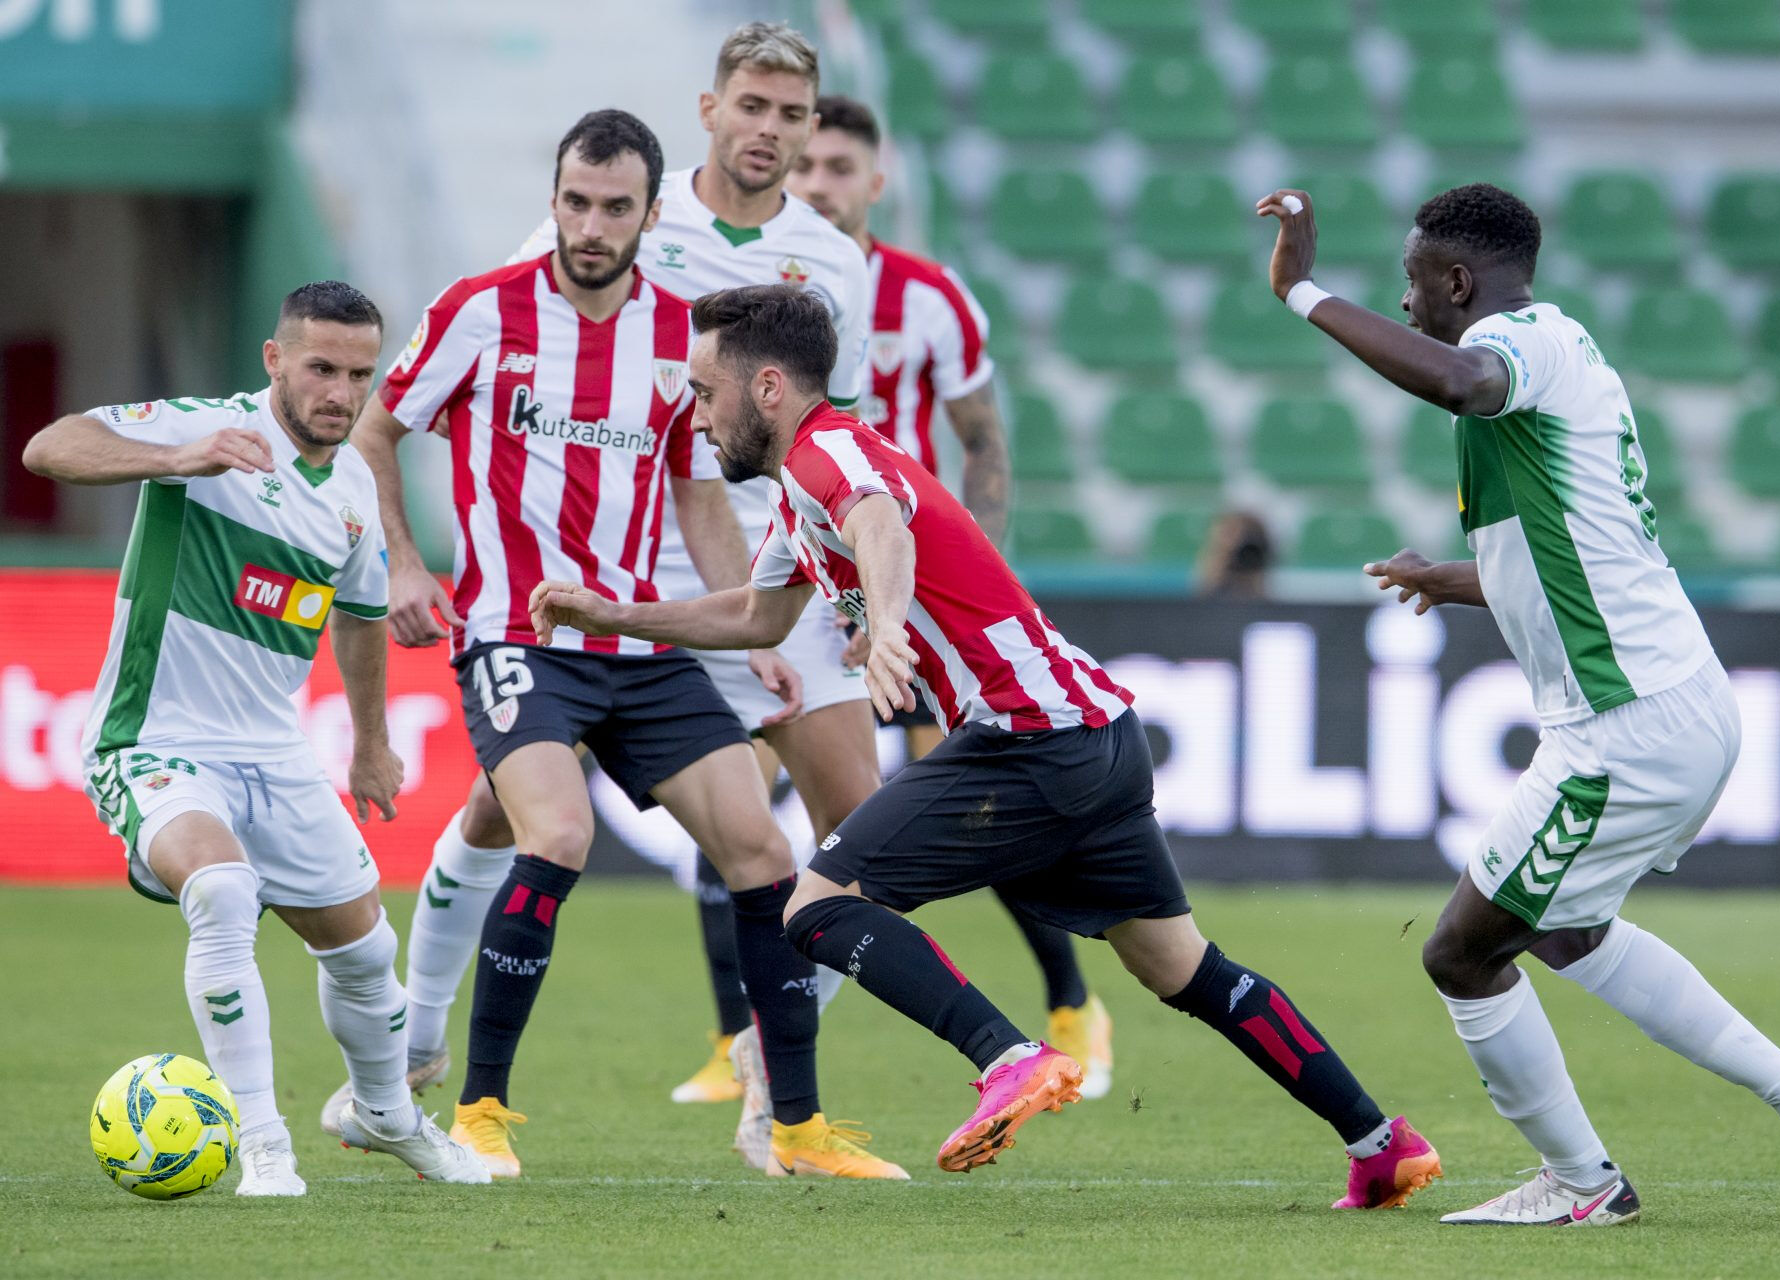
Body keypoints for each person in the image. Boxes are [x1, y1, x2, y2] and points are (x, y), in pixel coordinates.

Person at [526, 283, 1443, 1207]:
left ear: (767, 387)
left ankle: (1007, 1056)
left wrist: (885, 626)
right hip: (1097, 734)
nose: (696, 409)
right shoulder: (808, 485)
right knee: (1182, 967)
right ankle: (1380, 1142)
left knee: (814, 905)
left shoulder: (827, 455)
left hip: (1028, 738)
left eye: (703, 388)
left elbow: (878, 520)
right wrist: (615, 613)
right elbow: (758, 614)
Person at [1258, 181, 1780, 1224]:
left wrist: (1304, 293)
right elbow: (1571, 552)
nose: (1407, 305)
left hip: (1625, 727)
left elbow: (1461, 380)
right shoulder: (1561, 353)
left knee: (1460, 949)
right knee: (1567, 928)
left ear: (1457, 280)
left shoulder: (1520, 343)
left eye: (1413, 284)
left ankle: (1586, 1183)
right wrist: (1449, 576)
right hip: (1668, 706)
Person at [351, 109, 902, 1181]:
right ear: (551, 199)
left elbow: (696, 492)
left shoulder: (678, 339)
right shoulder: (480, 311)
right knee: (553, 833)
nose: (590, 225)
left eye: (614, 207)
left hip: (640, 645)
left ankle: (792, 1124)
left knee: (766, 854)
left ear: (655, 213)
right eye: (574, 202)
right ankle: (479, 1110)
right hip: (515, 629)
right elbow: (378, 428)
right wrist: (407, 564)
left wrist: (748, 632)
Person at [23, 282, 489, 1194]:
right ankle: (260, 1141)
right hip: (154, 736)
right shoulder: (204, 428)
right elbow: (50, 446)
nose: (340, 393)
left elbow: (357, 620)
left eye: (359, 375)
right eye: (321, 368)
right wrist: (181, 455)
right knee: (226, 891)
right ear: (276, 359)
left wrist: (369, 743)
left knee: (363, 954)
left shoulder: (353, 487)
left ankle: (385, 1113)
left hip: (274, 749)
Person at [778, 92, 1118, 1096]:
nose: (819, 184)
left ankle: (1066, 1004)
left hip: (916, 605)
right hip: (809, 578)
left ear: (875, 183)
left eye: (839, 167)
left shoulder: (929, 298)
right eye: (806, 166)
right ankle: (750, 1042)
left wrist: (987, 577)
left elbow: (983, 440)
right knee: (766, 809)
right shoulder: (770, 302)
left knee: (978, 808)